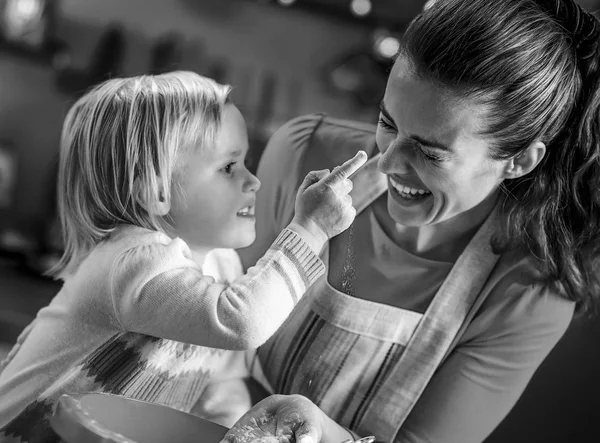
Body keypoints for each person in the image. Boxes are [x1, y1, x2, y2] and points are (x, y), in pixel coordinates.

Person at [227, 1, 600, 442]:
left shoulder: (527, 289)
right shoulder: (303, 153)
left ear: (519, 160)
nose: (388, 163)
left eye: (429, 153)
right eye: (387, 121)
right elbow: (217, 324)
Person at [0, 71, 367, 441]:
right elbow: (242, 323)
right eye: (228, 167)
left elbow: (218, 381)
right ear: (155, 189)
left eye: (245, 163)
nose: (252, 181)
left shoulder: (223, 267)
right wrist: (311, 229)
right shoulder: (135, 262)